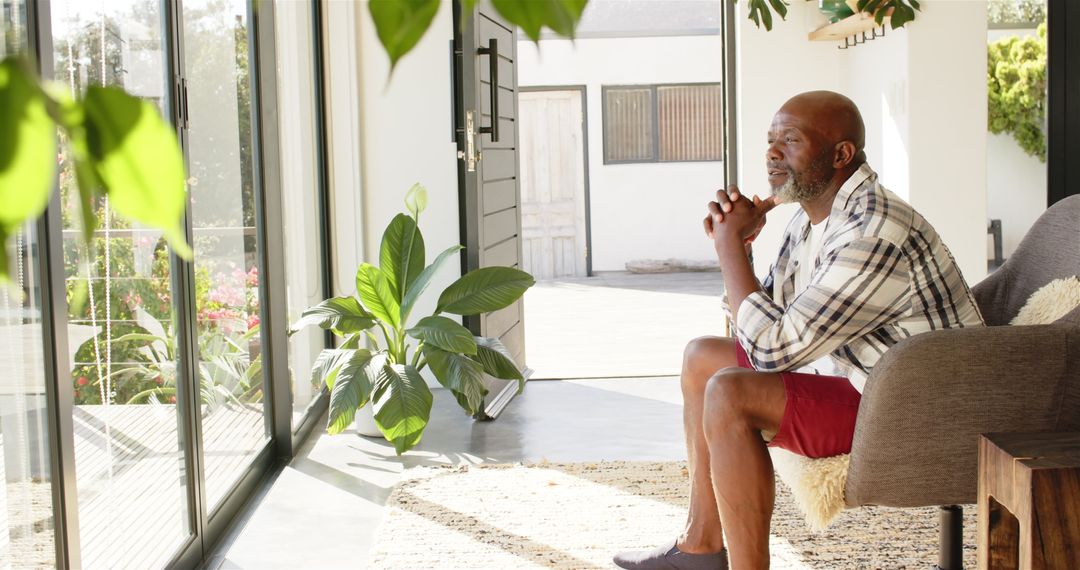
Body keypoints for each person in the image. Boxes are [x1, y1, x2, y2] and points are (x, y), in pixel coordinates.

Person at [613, 91, 984, 570]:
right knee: (703, 357)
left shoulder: (873, 229)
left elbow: (770, 351)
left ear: (840, 154)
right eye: (770, 140)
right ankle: (700, 547)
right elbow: (763, 321)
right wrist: (741, 247)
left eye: (790, 140)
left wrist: (727, 249)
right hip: (863, 377)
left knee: (730, 392)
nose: (771, 153)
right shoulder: (811, 219)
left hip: (914, 409)